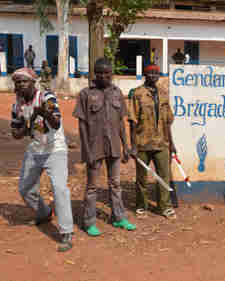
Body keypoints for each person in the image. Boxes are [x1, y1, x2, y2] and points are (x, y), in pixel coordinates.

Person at [10, 67, 74, 252]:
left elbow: (56, 122)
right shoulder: (17, 106)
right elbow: (16, 133)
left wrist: (42, 112)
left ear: (33, 82)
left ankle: (66, 232)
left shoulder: (47, 98)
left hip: (55, 149)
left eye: (24, 82)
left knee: (60, 188)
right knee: (25, 188)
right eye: (18, 83)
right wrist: (27, 126)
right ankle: (44, 213)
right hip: (35, 149)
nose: (21, 85)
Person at [73, 57, 136, 236]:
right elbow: (82, 125)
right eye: (99, 72)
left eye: (106, 73)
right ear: (94, 74)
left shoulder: (117, 93)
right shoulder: (85, 94)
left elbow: (121, 123)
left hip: (114, 146)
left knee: (115, 184)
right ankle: (89, 222)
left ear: (111, 74)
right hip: (95, 147)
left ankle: (119, 218)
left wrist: (126, 147)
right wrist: (87, 151)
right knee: (92, 186)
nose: (102, 76)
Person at [128, 64, 178, 219]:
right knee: (141, 178)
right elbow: (132, 121)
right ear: (145, 75)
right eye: (150, 73)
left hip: (162, 143)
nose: (153, 76)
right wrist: (133, 146)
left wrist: (172, 143)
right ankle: (141, 206)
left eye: (156, 73)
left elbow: (167, 121)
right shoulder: (137, 94)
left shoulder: (163, 94)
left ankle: (165, 207)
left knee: (164, 176)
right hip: (143, 143)